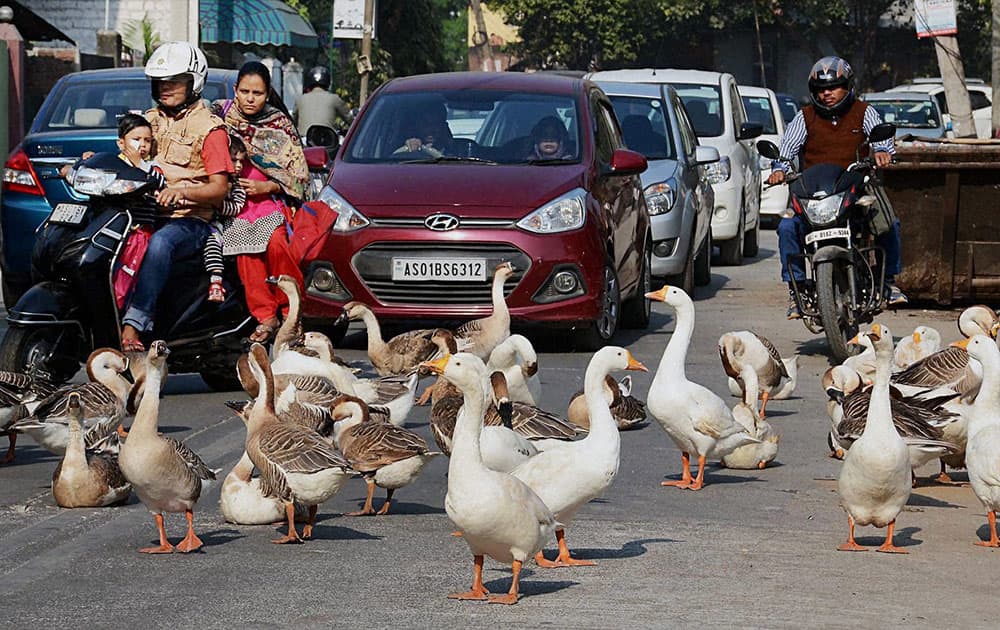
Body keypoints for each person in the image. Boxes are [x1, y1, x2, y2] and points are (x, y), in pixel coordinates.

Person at [767, 56, 907, 319]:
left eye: (833, 87)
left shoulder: (864, 112)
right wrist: (779, 170)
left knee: (888, 223)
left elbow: (882, 139)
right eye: (821, 89)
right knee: (787, 228)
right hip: (814, 195)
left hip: (855, 191)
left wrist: (882, 153)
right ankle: (797, 291)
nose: (827, 93)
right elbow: (786, 153)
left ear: (847, 86)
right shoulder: (804, 117)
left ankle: (888, 283)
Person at [120, 41, 233, 352]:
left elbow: (219, 188)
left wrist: (180, 193)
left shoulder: (210, 129)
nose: (164, 88)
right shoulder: (150, 120)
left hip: (190, 222)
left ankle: (135, 322)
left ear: (193, 81)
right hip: (145, 213)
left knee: (160, 243)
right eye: (160, 82)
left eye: (173, 81)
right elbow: (130, 156)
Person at [212, 61, 308, 344]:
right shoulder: (218, 116)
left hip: (270, 203)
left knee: (278, 244)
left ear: (267, 94)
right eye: (245, 91)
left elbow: (298, 175)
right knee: (244, 249)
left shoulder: (278, 124)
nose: (250, 98)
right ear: (235, 90)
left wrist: (266, 185)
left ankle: (292, 313)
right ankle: (265, 316)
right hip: (234, 206)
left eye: (257, 93)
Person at [203, 134, 249, 302]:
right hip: (202, 219)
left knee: (213, 242)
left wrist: (217, 203)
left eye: (241, 162)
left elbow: (237, 206)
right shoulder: (209, 178)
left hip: (221, 224)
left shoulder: (237, 185)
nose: (237, 166)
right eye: (233, 160)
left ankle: (216, 281)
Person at [293, 65, 353, 136]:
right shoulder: (334, 98)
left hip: (304, 142)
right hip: (327, 143)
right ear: (328, 83)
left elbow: (292, 122)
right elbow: (351, 120)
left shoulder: (300, 99)